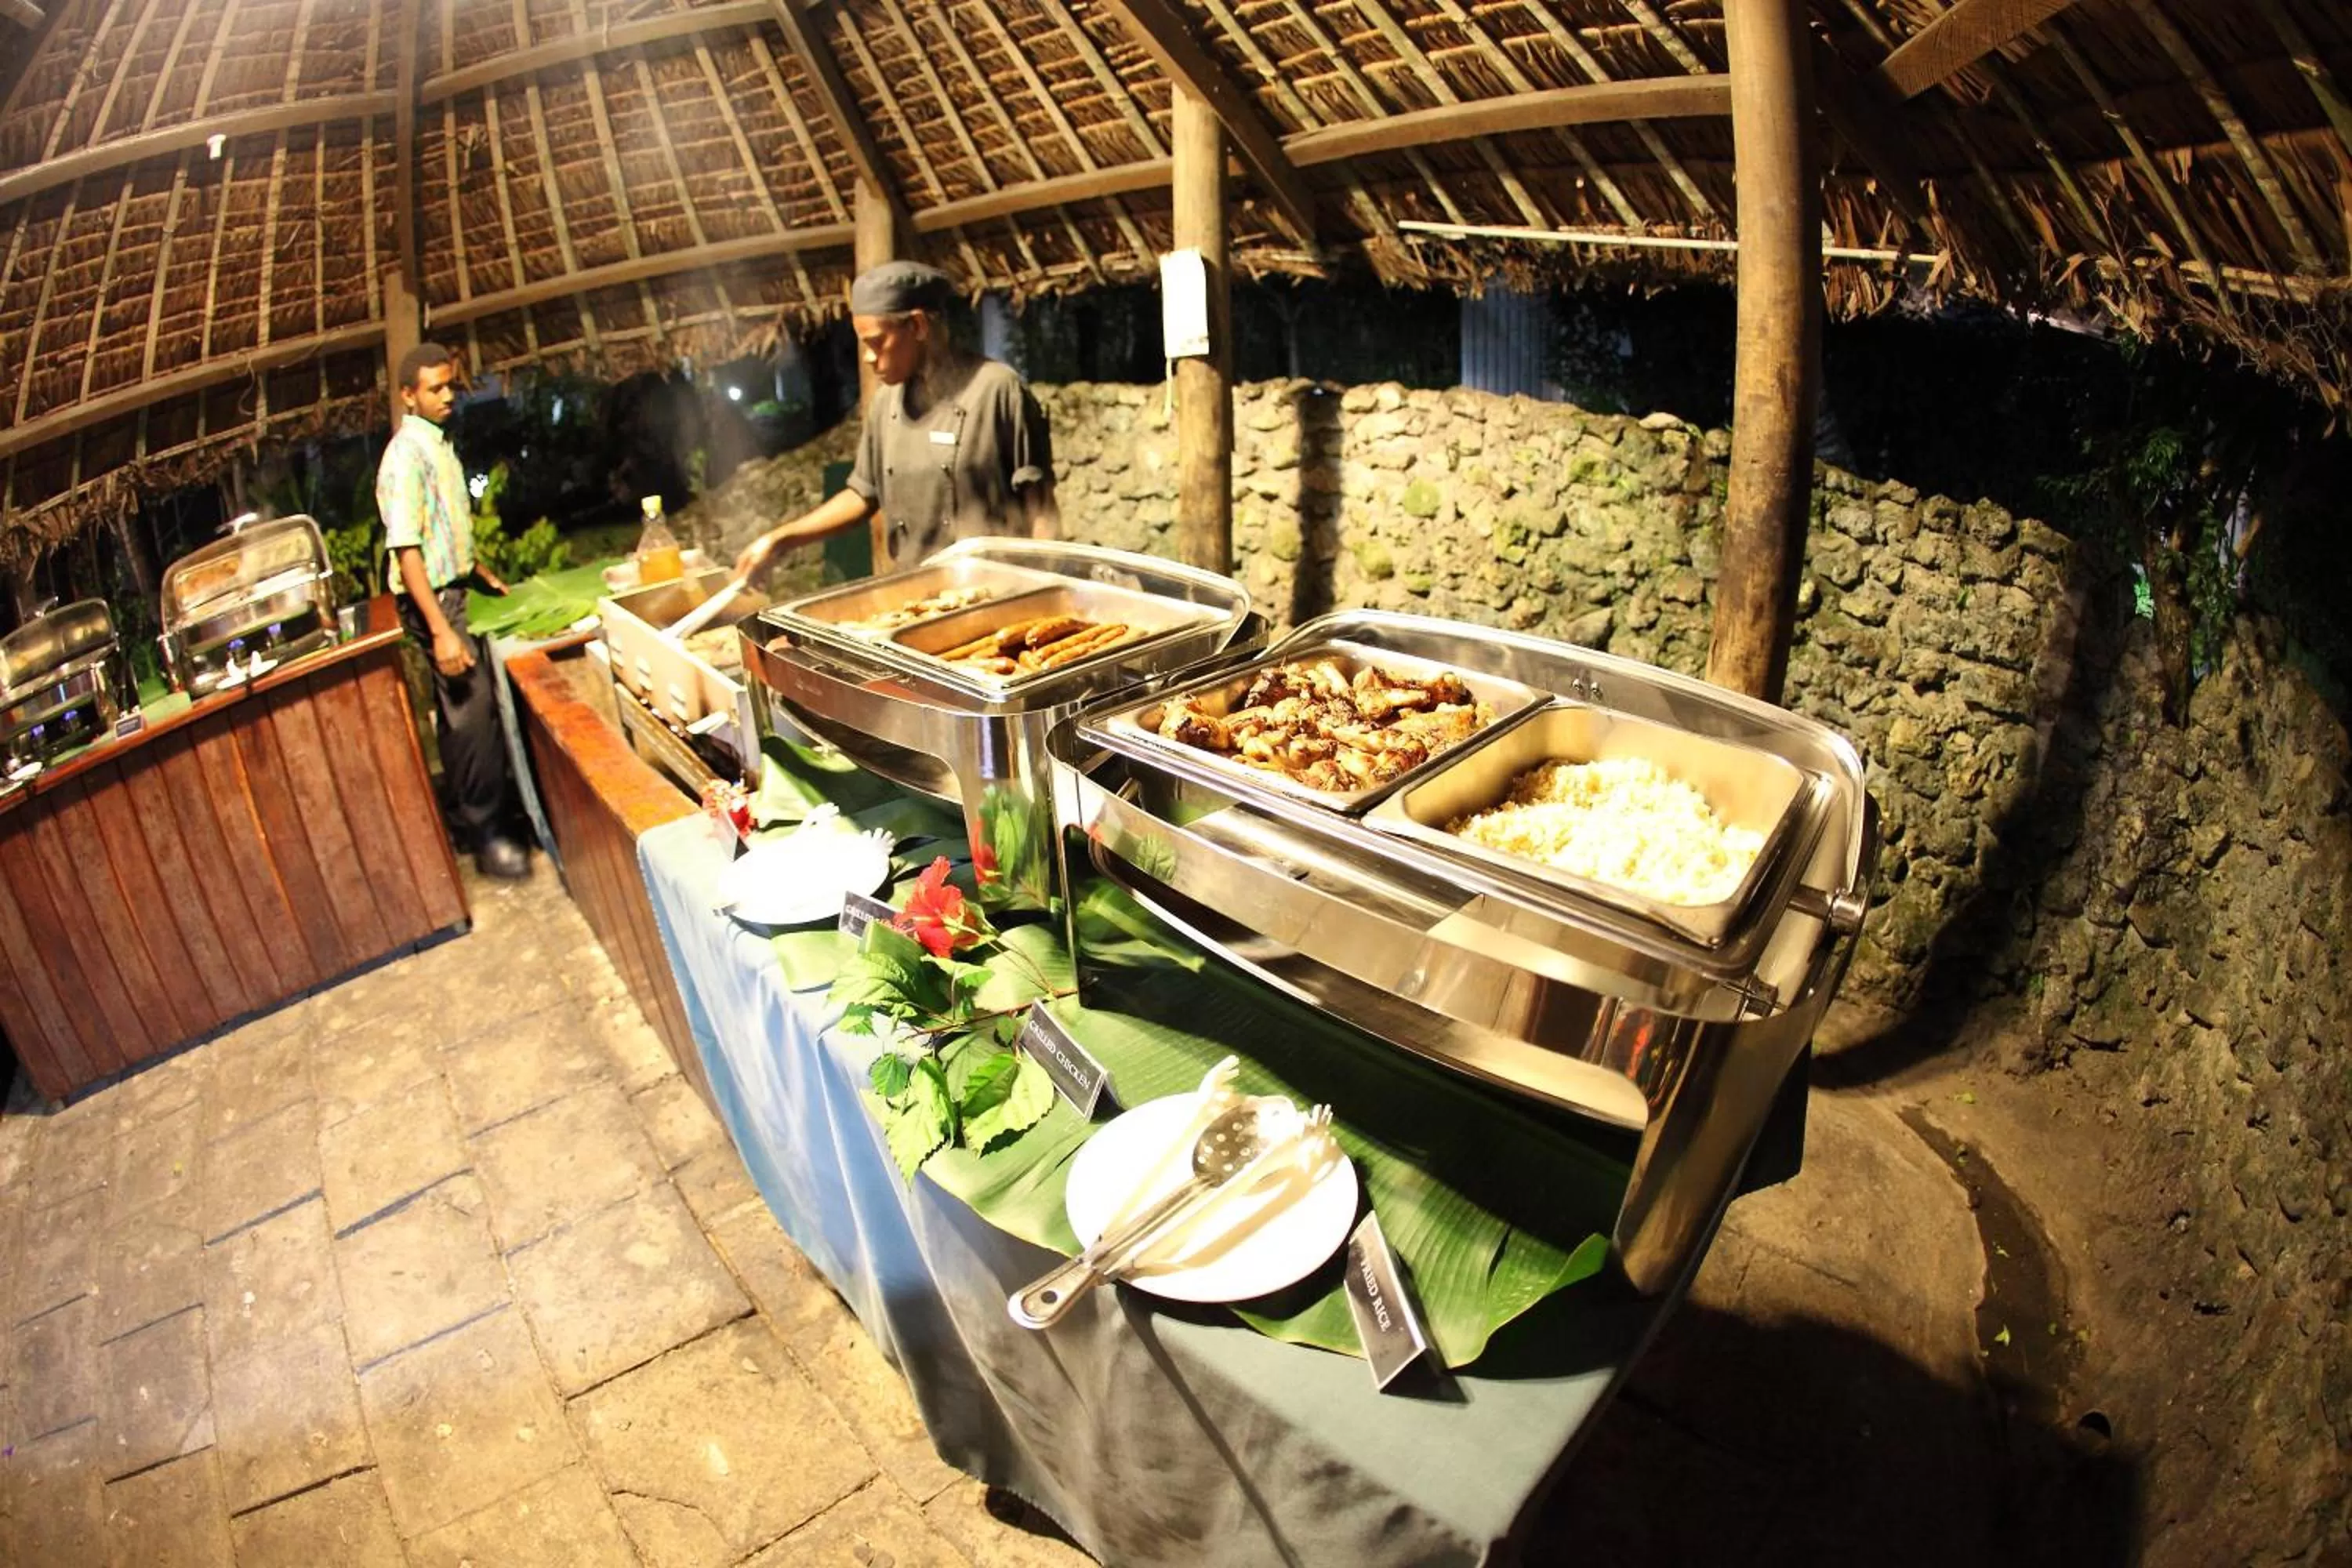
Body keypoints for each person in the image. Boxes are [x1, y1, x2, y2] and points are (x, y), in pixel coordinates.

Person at [734, 261, 1056, 579]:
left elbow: (1042, 512)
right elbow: (863, 495)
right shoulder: (885, 404)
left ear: (917, 326)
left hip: (997, 590)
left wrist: (1047, 587)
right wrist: (782, 539)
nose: (868, 358)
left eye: (876, 343)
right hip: (916, 589)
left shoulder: (996, 390)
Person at [376, 342, 530, 880]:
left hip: (454, 586)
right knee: (473, 717)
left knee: (462, 715)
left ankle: (481, 820)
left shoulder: (438, 443)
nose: (447, 397)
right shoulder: (406, 455)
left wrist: (476, 569)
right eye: (434, 389)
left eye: (449, 386)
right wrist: (441, 631)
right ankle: (490, 840)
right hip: (434, 600)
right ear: (407, 396)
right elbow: (407, 550)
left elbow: (441, 529)